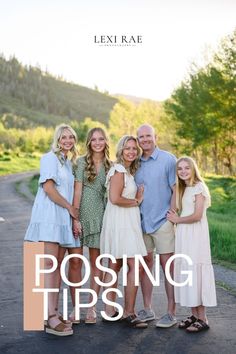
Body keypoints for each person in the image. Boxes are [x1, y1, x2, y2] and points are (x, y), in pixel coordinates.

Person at [24, 123, 79, 336]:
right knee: (49, 264)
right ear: (57, 139)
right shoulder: (49, 158)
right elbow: (48, 188)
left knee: (55, 266)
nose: (67, 140)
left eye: (71, 137)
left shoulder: (67, 163)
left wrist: (69, 212)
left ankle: (52, 312)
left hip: (61, 216)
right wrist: (70, 208)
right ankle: (50, 316)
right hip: (50, 214)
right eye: (63, 137)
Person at [59, 127, 111, 325]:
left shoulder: (110, 165)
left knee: (97, 263)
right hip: (80, 217)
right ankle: (76, 307)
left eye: (101, 139)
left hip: (100, 218)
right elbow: (77, 191)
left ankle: (91, 307)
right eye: (93, 139)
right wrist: (75, 217)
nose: (97, 143)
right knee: (75, 262)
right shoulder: (80, 162)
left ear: (106, 142)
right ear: (89, 142)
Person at [100, 135, 148, 328]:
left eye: (134, 149)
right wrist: (137, 201)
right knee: (133, 265)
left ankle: (110, 311)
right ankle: (129, 313)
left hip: (124, 221)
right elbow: (114, 198)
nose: (131, 151)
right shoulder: (119, 170)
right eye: (127, 148)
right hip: (121, 222)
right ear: (120, 150)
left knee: (116, 264)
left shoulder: (126, 171)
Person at [167, 156, 217, 332]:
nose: (183, 171)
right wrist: (175, 189)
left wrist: (177, 219)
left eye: (186, 168)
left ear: (193, 168)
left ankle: (203, 318)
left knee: (196, 271)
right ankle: (194, 315)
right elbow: (173, 208)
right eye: (179, 169)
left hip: (195, 234)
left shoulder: (199, 188)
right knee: (187, 270)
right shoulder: (183, 188)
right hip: (183, 234)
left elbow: (197, 215)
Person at [135, 124, 177, 327]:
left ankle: (170, 312)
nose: (145, 140)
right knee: (145, 266)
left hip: (163, 221)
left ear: (155, 136)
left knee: (167, 266)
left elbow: (176, 189)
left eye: (148, 136)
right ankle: (148, 308)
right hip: (142, 223)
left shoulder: (168, 159)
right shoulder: (134, 162)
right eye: (141, 137)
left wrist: (172, 214)